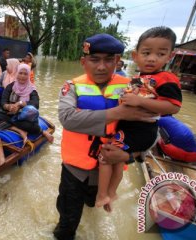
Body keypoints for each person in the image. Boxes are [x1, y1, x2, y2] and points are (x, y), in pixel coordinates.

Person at [54, 33, 158, 240]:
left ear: (118, 61)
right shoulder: (72, 86)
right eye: (94, 59)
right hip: (74, 170)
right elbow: (67, 118)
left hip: (108, 169)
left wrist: (130, 155)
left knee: (93, 205)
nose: (101, 66)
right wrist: (118, 113)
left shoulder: (134, 88)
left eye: (109, 59)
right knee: (67, 222)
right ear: (84, 62)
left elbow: (152, 127)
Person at [94, 27, 183, 207]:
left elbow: (173, 107)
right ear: (135, 56)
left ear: (170, 56)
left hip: (141, 130)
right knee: (117, 160)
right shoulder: (139, 77)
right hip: (129, 128)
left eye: (160, 54)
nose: (151, 58)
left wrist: (138, 101)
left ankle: (103, 195)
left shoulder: (166, 78)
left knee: (104, 156)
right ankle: (111, 193)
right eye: (146, 53)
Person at [0, 64, 53, 144]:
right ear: (17, 74)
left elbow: (36, 104)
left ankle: (42, 132)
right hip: (10, 115)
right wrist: (8, 106)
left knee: (28, 123)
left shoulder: (32, 89)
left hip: (24, 118)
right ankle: (19, 130)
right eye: (20, 73)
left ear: (28, 75)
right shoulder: (11, 86)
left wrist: (20, 104)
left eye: (25, 74)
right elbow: (3, 101)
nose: (22, 76)